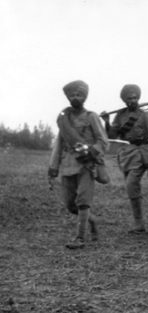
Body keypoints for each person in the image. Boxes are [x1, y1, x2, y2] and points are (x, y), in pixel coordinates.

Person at [48, 80, 109, 249]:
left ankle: (80, 238)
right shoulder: (63, 119)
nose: (75, 97)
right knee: (70, 204)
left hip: (86, 164)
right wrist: (53, 166)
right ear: (68, 97)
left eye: (79, 94)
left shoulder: (91, 117)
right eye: (72, 95)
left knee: (83, 200)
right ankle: (93, 221)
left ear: (85, 97)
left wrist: (92, 151)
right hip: (68, 164)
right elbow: (59, 143)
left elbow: (103, 141)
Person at [101, 84, 148, 233]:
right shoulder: (120, 115)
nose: (133, 100)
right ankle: (138, 222)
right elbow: (113, 135)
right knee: (131, 187)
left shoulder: (144, 114)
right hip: (126, 153)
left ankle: (139, 224)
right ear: (125, 100)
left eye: (135, 97)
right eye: (129, 98)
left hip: (141, 153)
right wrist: (106, 121)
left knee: (131, 184)